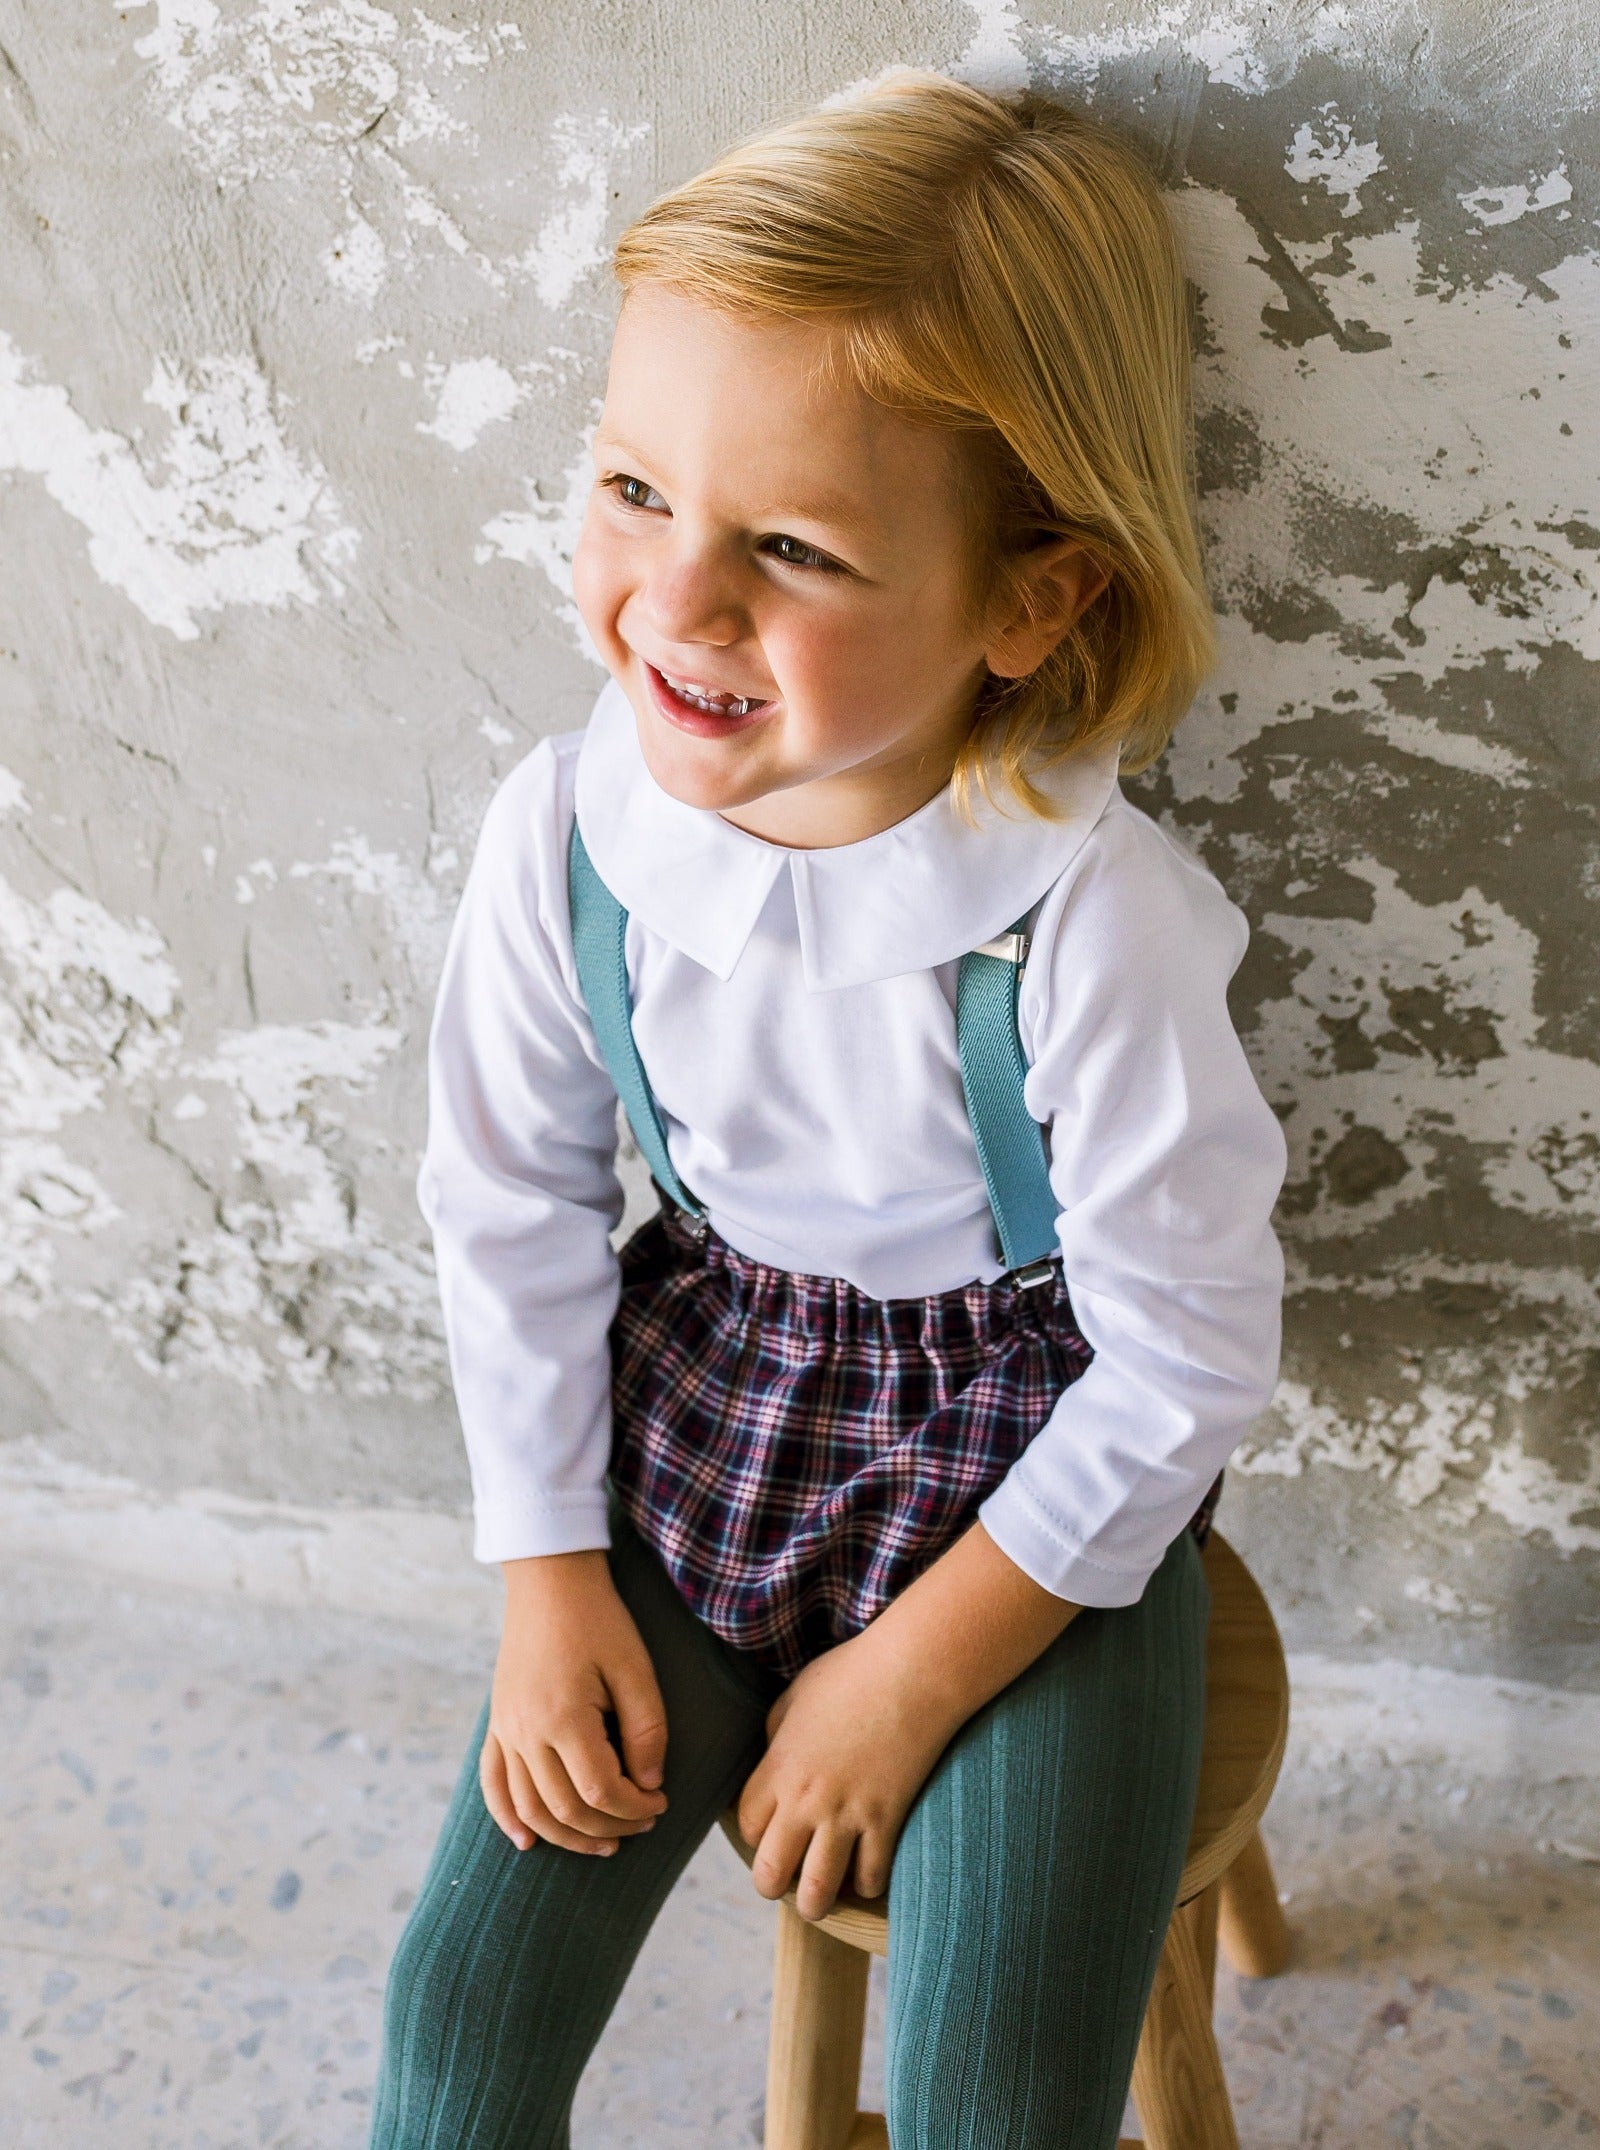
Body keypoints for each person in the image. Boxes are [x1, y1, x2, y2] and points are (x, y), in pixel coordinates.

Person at [369, 69, 1285, 2150]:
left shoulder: (1085, 925)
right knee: (453, 2028)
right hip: (706, 1404)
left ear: (1029, 597)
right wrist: (545, 1575)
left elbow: (1183, 1353)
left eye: (787, 546)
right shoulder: (569, 834)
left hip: (1031, 1482)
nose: (675, 605)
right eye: (629, 489)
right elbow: (504, 1198)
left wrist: (908, 1675)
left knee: (991, 2087)